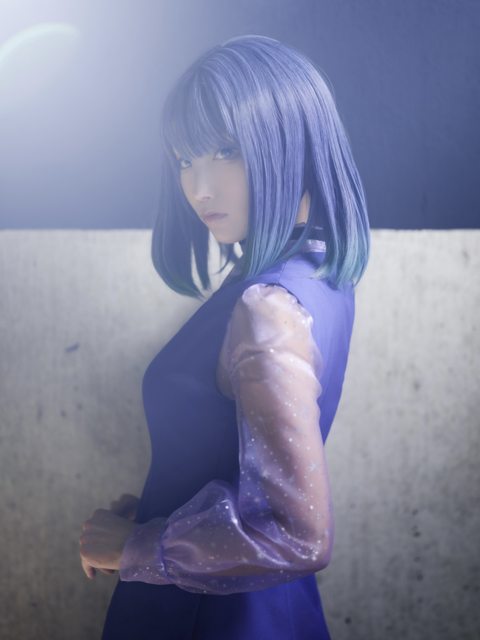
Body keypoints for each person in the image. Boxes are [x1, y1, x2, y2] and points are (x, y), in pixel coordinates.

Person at [79, 34, 370, 639]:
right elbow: (236, 463)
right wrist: (158, 511)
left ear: (292, 141)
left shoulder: (268, 307)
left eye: (225, 151)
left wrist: (138, 546)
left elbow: (295, 530)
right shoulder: (313, 273)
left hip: (218, 617)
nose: (199, 187)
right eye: (185, 159)